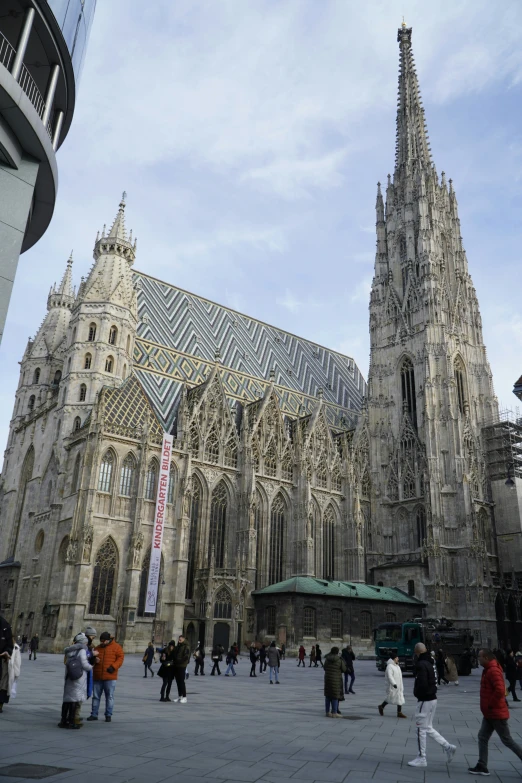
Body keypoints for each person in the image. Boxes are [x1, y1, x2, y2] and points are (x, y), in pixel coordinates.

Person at [468, 648, 522, 775]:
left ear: (486, 658)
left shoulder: (493, 670)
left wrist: (490, 704)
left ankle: (482, 765)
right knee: (482, 736)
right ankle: (482, 765)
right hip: (490, 713)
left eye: (480, 657)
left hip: (496, 713)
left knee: (507, 740)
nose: (478, 659)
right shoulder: (488, 669)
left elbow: (499, 690)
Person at [408, 642, 456, 768]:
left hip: (425, 699)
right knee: (428, 727)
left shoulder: (421, 664)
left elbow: (422, 683)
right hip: (433, 698)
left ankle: (422, 757)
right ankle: (448, 747)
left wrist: (417, 693)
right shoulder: (430, 662)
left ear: (417, 652)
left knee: (420, 728)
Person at [58, 632, 94, 729]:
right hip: (78, 678)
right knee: (75, 700)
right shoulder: (82, 651)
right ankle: (72, 721)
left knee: (67, 700)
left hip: (69, 677)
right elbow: (85, 665)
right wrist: (92, 666)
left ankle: (63, 720)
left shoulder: (70, 651)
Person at [87, 631, 124, 723]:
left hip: (110, 676)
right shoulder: (97, 648)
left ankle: (108, 715)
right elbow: (91, 659)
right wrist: (94, 659)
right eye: (101, 641)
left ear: (109, 640)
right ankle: (94, 714)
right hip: (98, 675)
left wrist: (113, 667)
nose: (102, 643)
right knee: (96, 697)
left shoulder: (117, 647)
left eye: (104, 641)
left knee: (110, 697)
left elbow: (120, 659)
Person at [74, 625, 97, 725]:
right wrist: (93, 656)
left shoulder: (78, 648)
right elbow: (85, 662)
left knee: (77, 696)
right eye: (92, 637)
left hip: (79, 675)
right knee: (77, 696)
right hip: (80, 675)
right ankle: (74, 717)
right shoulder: (83, 648)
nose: (93, 639)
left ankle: (74, 715)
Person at [324, 646, 345, 718]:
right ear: (337, 652)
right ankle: (334, 712)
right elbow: (344, 669)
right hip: (336, 679)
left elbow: (324, 667)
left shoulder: (327, 659)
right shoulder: (339, 660)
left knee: (328, 696)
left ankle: (327, 712)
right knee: (335, 696)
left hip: (328, 679)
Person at [0, 615, 14, 714]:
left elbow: (9, 644)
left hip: (1, 659)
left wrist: (7, 652)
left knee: (2, 682)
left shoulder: (4, 624)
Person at [172, 634, 191, 702]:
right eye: (179, 639)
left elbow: (186, 656)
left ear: (183, 639)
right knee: (177, 681)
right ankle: (180, 696)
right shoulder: (178, 646)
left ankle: (184, 697)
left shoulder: (186, 647)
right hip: (176, 665)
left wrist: (179, 661)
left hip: (182, 665)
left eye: (180, 639)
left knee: (181, 681)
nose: (179, 641)